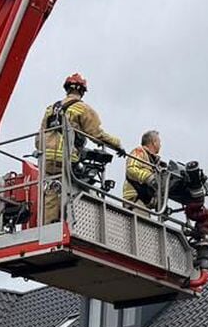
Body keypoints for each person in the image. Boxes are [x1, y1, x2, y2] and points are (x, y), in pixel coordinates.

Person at [39, 73, 123, 223]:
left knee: (52, 189)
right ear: (82, 91)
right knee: (79, 187)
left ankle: (49, 225)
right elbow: (97, 134)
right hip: (67, 157)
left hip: (47, 158)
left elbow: (39, 137)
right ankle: (75, 222)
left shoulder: (50, 109)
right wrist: (117, 144)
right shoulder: (82, 109)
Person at [123, 130, 163, 209]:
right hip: (135, 200)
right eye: (159, 142)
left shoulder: (154, 161)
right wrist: (150, 178)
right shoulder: (139, 151)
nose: (160, 145)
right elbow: (131, 169)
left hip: (145, 202)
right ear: (154, 142)